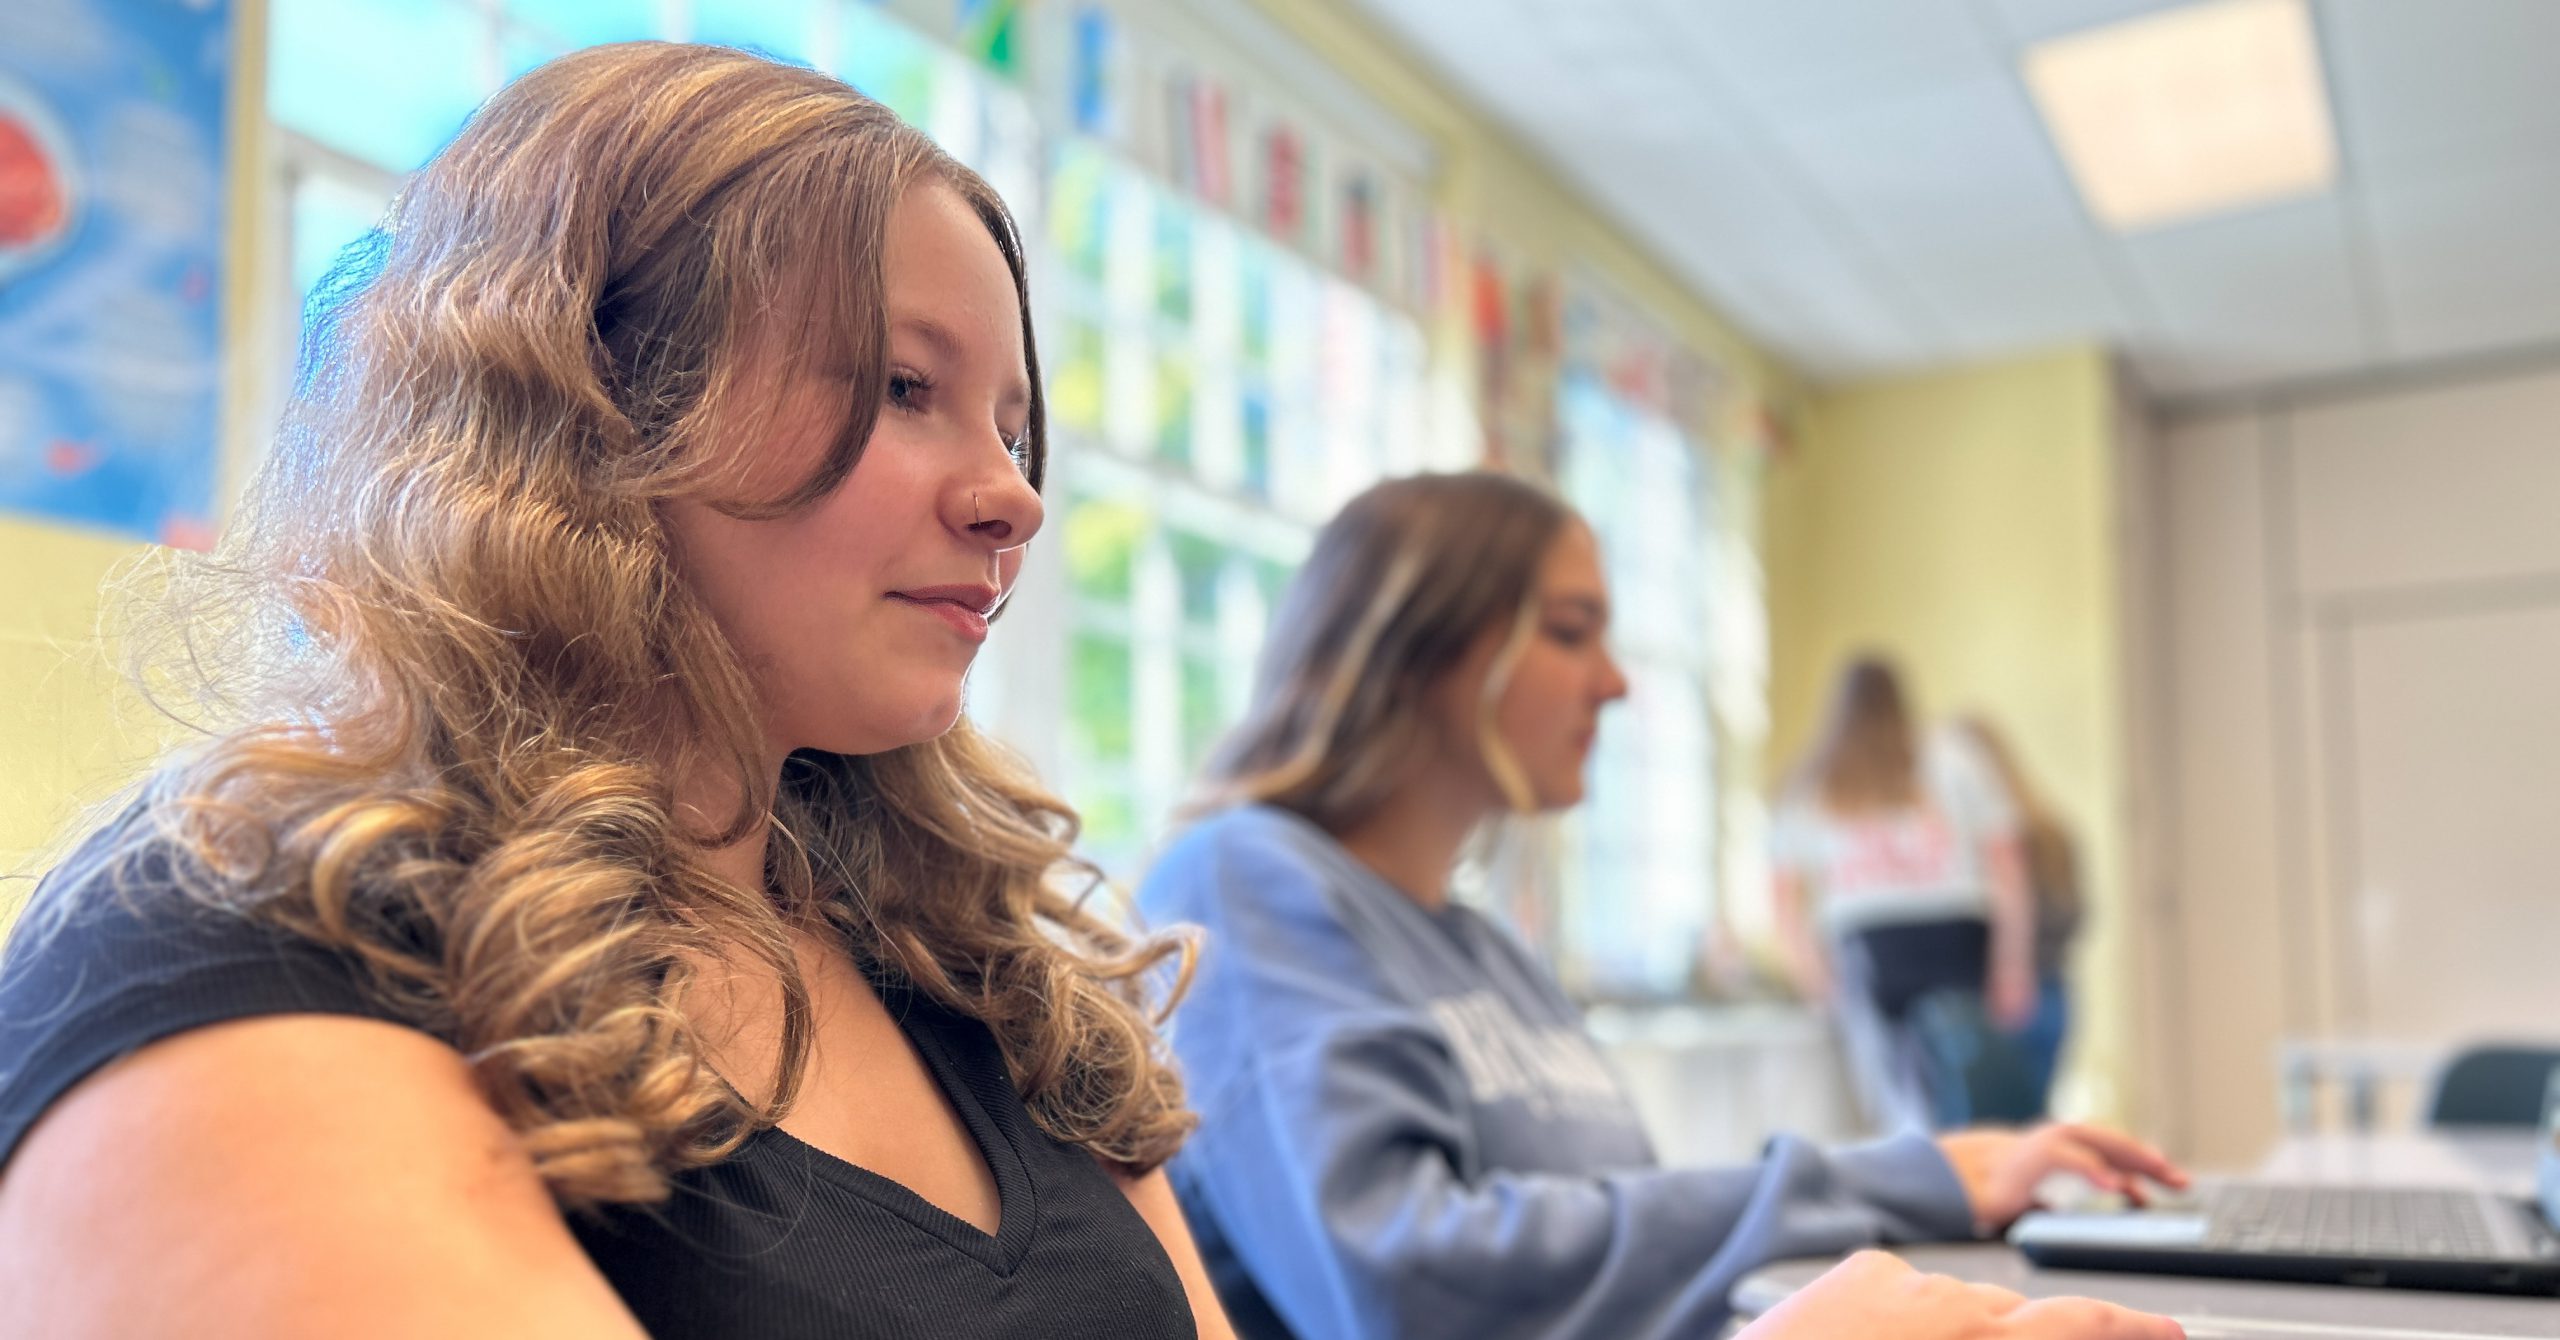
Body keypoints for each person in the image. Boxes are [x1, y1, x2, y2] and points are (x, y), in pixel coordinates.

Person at [0, 43, 1236, 1338]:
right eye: (903, 387)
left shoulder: (968, 960)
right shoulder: (245, 936)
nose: (1013, 499)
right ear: (597, 397)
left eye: (1013, 427)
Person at [1136, 472, 2186, 1340]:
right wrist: (1908, 1178)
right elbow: (1401, 1282)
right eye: (1568, 629)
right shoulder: (1237, 879)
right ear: (1421, 646)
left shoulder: (1482, 947)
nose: (1615, 682)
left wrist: (1941, 1181)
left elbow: (1615, 1234)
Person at [1770, 657, 2034, 1130]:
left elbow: (1784, 902)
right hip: (1957, 934)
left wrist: (1816, 978)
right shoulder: (1956, 757)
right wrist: (2013, 963)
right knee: (1968, 1079)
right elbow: (2008, 869)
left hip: (1870, 944)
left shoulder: (1814, 778)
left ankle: (1923, 1177)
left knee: (1894, 1098)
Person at [1945, 715, 2084, 1121]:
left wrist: (2009, 967)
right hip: (2054, 988)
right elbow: (2076, 913)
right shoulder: (2052, 828)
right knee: (2037, 1125)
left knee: (1990, 1134)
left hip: (1995, 992)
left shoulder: (1978, 837)